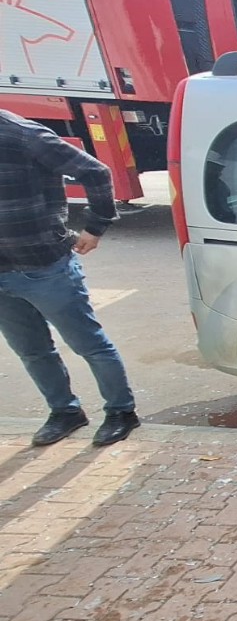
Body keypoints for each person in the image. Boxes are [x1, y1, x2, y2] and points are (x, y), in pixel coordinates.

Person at [0, 110, 138, 447]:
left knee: (89, 345)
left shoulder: (22, 135)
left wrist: (95, 226)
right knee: (32, 351)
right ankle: (65, 411)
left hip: (46, 267)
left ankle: (121, 411)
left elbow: (95, 171)